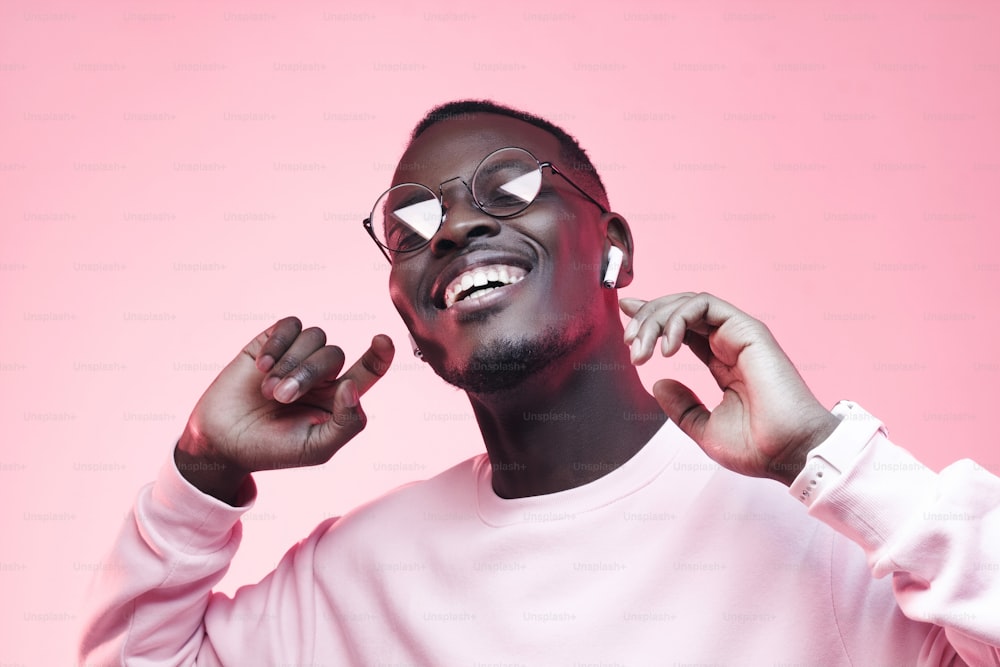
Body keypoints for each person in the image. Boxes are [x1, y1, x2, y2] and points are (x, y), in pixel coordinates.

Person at [78, 100, 1000, 666]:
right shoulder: (355, 574)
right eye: (411, 227)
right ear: (407, 307)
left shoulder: (831, 526)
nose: (448, 231)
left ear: (615, 246)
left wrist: (826, 458)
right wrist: (198, 475)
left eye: (510, 186)